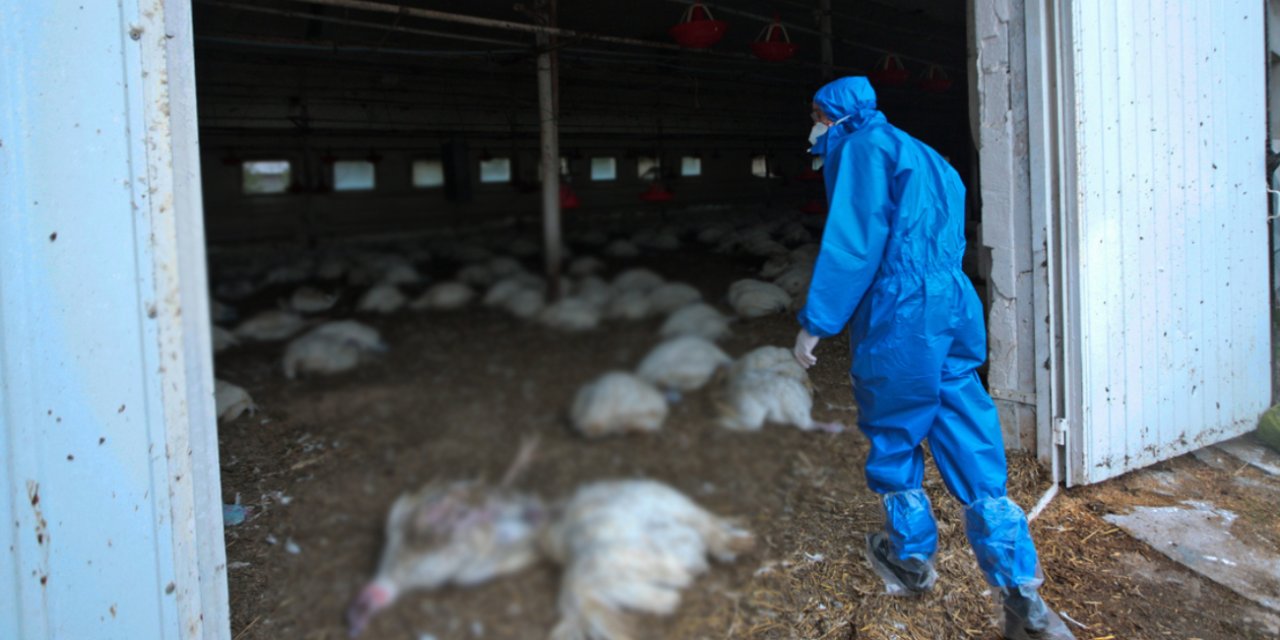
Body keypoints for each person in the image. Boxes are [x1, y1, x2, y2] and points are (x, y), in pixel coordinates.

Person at [793, 76, 1074, 640]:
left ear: (835, 116)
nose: (815, 128)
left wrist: (816, 323)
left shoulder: (862, 150)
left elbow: (854, 242)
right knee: (965, 422)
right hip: (951, 298)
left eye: (818, 118)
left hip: (903, 309)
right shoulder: (924, 153)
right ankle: (1023, 593)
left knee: (893, 428)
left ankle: (912, 560)